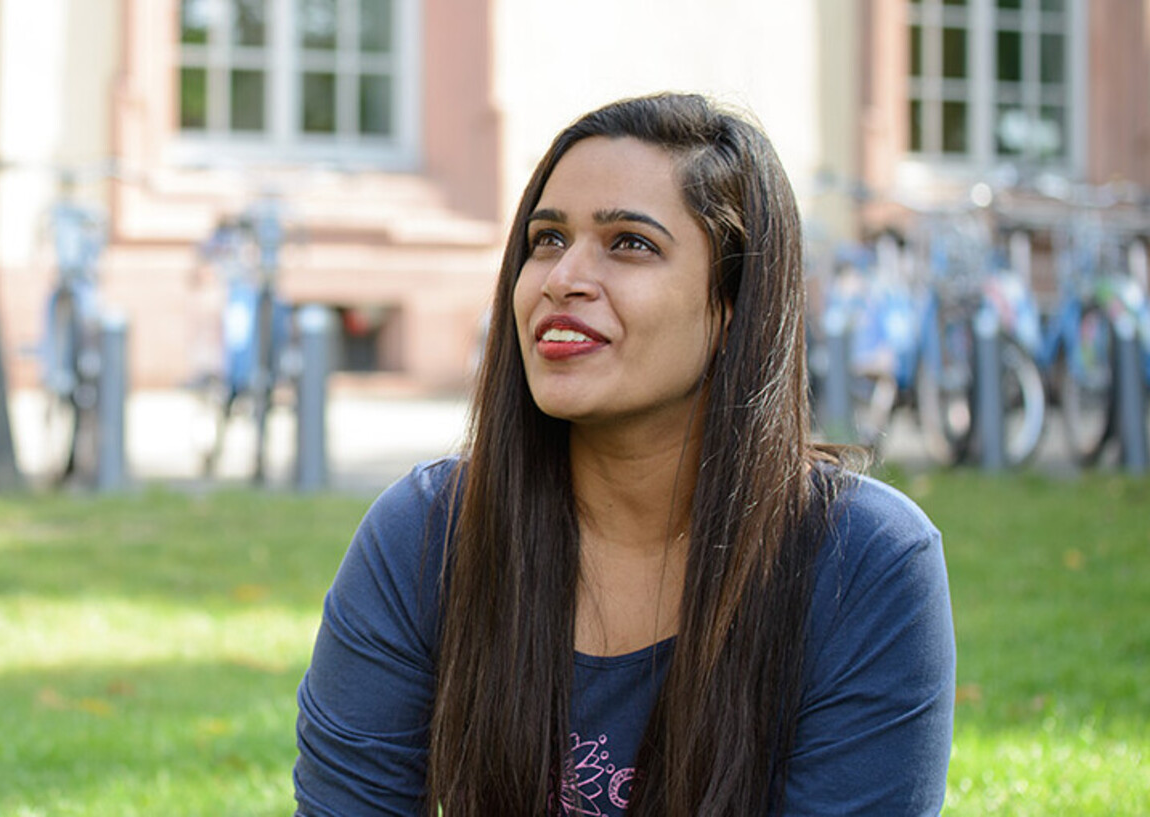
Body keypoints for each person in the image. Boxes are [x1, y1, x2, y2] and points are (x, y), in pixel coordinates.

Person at [292, 93, 954, 816]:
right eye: (546, 239)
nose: (562, 276)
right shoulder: (422, 538)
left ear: (735, 305)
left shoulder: (864, 563)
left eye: (629, 243)